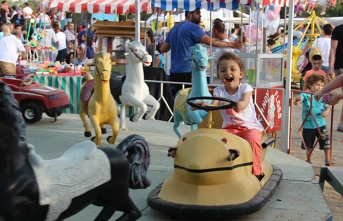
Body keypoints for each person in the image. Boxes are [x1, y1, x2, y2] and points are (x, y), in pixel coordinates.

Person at [191, 52, 265, 181]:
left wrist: (239, 105)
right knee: (214, 140)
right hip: (229, 128)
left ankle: (257, 171)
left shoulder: (245, 88)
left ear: (240, 74)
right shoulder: (219, 91)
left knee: (253, 138)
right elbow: (213, 105)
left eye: (232, 69)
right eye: (223, 70)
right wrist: (204, 105)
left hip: (248, 127)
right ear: (218, 75)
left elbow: (244, 102)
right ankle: (213, 169)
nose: (228, 73)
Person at [160, 8, 243, 95]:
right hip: (189, 70)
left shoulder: (174, 28)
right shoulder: (192, 27)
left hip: (174, 71)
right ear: (189, 14)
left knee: (180, 100)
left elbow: (163, 49)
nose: (200, 16)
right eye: (197, 13)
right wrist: (231, 44)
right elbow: (210, 41)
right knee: (192, 101)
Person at [294, 74, 331, 166]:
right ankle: (308, 160)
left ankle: (327, 160)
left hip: (321, 125)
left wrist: (327, 111)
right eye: (317, 85)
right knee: (308, 145)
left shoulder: (323, 96)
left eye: (322, 86)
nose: (320, 87)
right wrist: (297, 100)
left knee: (326, 142)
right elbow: (300, 99)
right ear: (310, 85)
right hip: (308, 125)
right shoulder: (306, 94)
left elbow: (328, 107)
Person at [327, 24, 343, 132]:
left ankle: (341, 122)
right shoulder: (338, 29)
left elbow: (333, 49)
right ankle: (341, 122)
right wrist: (330, 67)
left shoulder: (338, 29)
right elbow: (333, 50)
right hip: (340, 67)